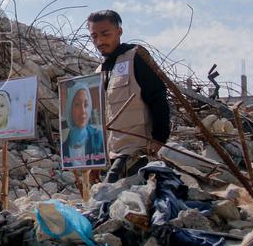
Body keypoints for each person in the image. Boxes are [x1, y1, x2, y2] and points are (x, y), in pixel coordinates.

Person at [87, 10, 171, 182]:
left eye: (105, 34)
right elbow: (98, 119)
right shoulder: (99, 72)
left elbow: (158, 98)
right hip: (111, 154)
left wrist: (159, 139)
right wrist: (95, 160)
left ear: (119, 31)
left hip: (137, 152)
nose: (99, 41)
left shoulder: (136, 58)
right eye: (94, 36)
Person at [60, 81, 105, 168]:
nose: (83, 111)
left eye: (86, 104)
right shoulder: (63, 148)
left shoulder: (99, 138)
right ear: (70, 109)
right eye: (77, 105)